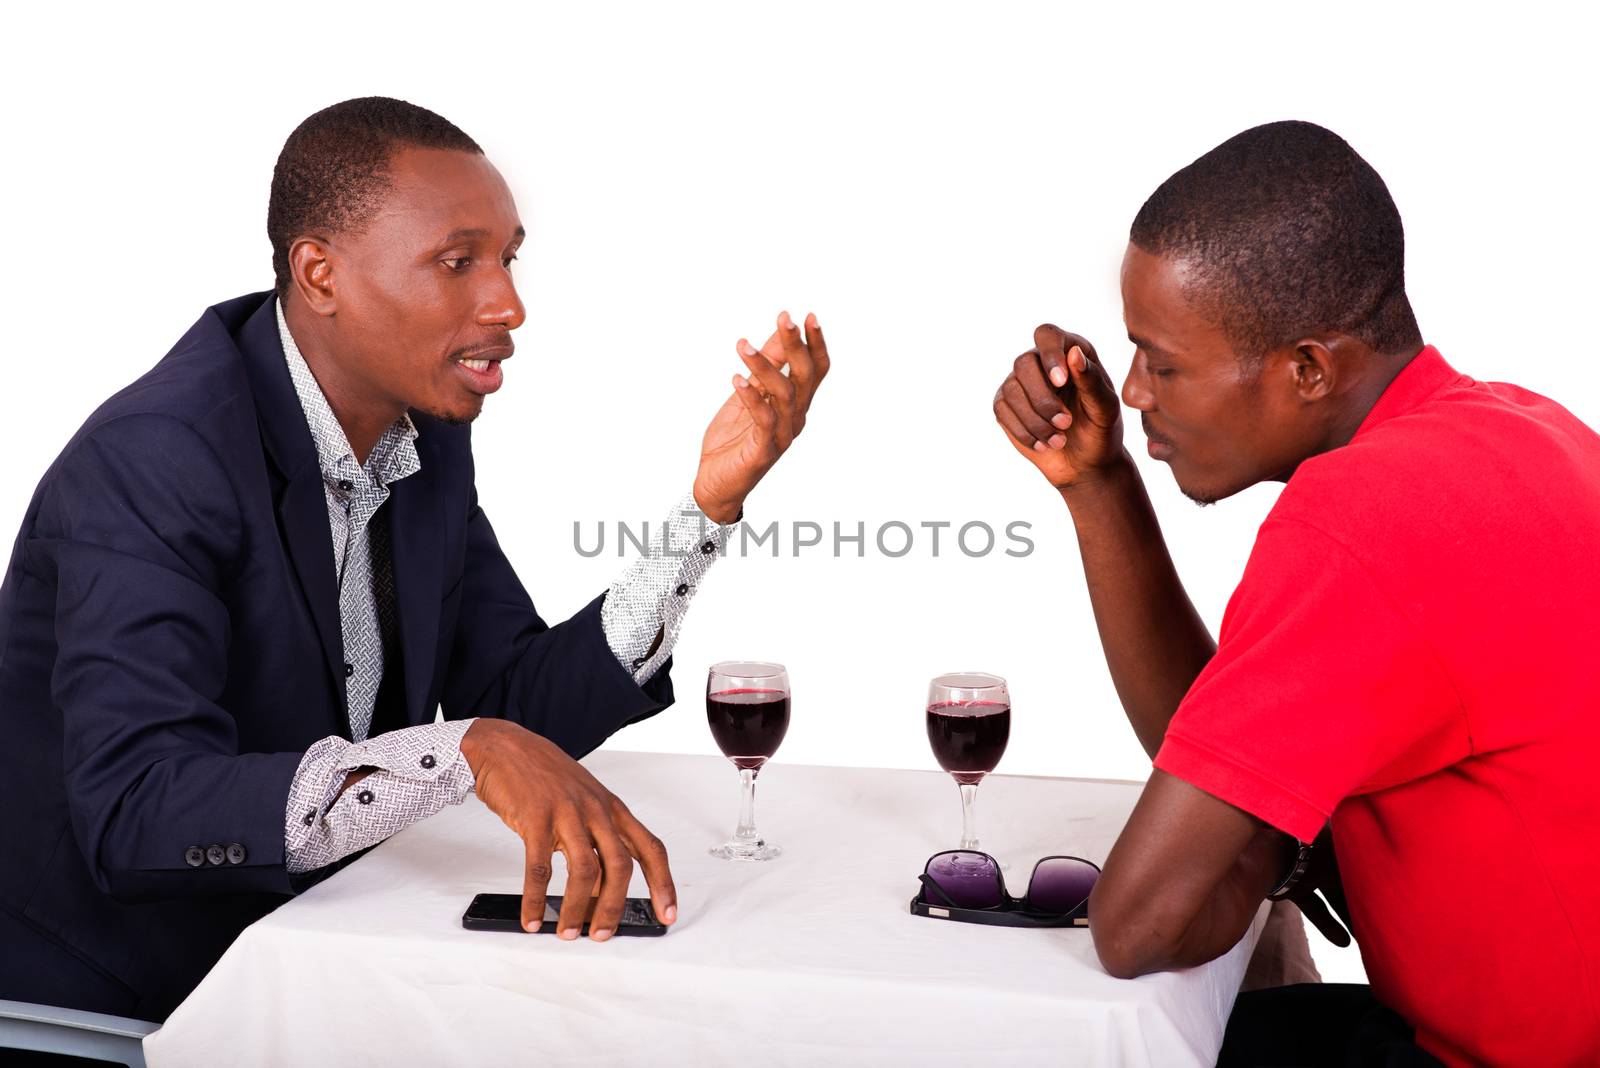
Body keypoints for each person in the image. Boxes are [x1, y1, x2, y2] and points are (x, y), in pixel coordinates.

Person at [0, 96, 829, 1022]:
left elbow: (514, 703)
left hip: (325, 953)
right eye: (456, 261)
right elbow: (140, 809)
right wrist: (461, 752)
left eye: (508, 258)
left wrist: (705, 507)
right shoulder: (156, 458)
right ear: (320, 274)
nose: (507, 302)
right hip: (114, 996)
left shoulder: (421, 438)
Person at [992, 120, 1599, 1066]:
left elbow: (1138, 922)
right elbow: (1225, 766)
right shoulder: (1523, 429)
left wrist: (1266, 854)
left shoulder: (1362, 516)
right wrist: (1100, 481)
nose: (1137, 391)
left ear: (1309, 369)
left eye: (1166, 361)